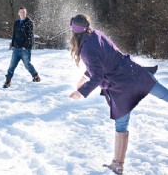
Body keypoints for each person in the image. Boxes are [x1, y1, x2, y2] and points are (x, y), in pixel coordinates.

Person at [68, 14, 168, 174]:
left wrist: (81, 92)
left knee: (121, 125)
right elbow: (102, 61)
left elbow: (98, 75)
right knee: (166, 96)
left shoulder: (86, 49)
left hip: (121, 84)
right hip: (134, 72)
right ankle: (117, 164)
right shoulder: (96, 34)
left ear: (74, 33)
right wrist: (83, 77)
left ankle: (118, 164)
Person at [3, 7, 40, 88]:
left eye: (24, 12)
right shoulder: (16, 23)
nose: (22, 13)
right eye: (21, 12)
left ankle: (36, 76)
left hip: (25, 49)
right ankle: (8, 81)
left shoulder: (29, 22)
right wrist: (12, 45)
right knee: (12, 65)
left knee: (27, 65)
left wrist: (25, 46)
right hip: (16, 48)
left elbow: (30, 35)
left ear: (25, 13)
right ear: (18, 13)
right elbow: (14, 35)